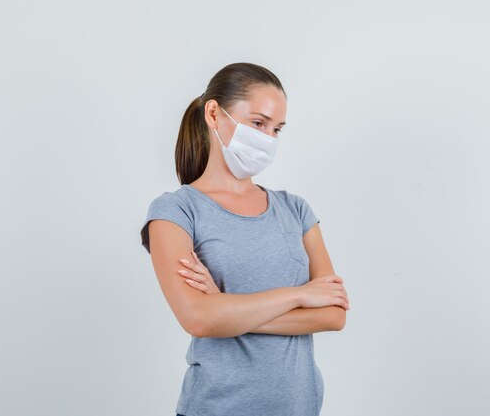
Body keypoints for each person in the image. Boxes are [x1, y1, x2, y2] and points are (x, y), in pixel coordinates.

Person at [140, 62, 350, 416]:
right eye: (257, 123)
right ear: (213, 114)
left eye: (277, 129)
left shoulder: (295, 210)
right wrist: (300, 295)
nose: (268, 138)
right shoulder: (176, 211)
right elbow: (199, 319)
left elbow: (333, 314)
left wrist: (226, 307)